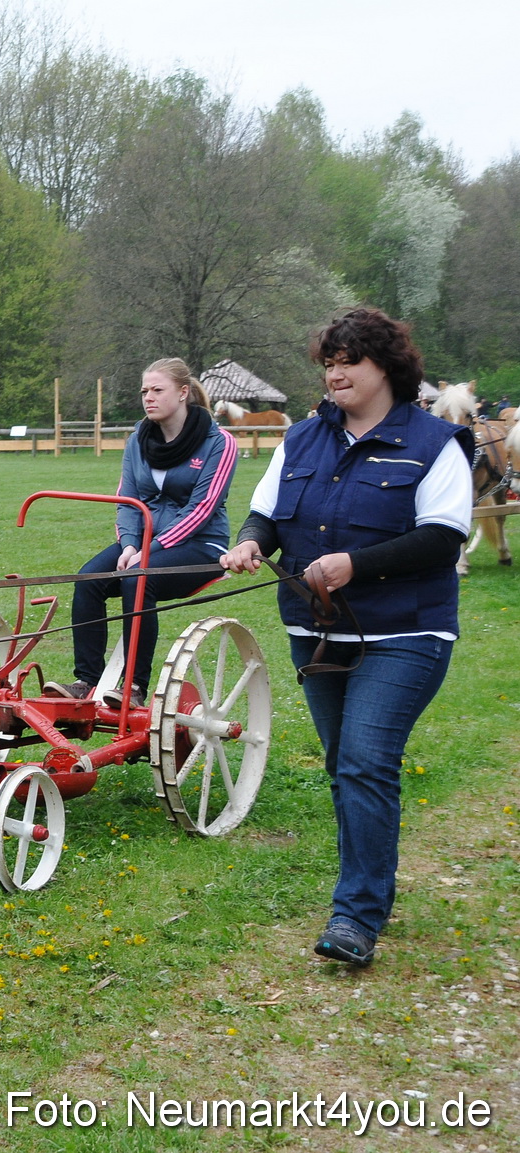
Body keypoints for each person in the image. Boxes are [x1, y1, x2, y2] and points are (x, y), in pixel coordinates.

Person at [219, 308, 472, 968]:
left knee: (363, 758)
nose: (333, 372)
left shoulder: (435, 442)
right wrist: (250, 540)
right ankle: (365, 892)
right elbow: (267, 513)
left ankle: (355, 916)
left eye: (347, 360)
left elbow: (442, 535)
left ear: (384, 366)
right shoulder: (300, 440)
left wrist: (355, 564)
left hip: (407, 630)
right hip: (316, 629)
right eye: (326, 362)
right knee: (344, 765)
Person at [44, 358, 235, 710]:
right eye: (144, 391)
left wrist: (150, 549)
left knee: (137, 578)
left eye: (157, 390)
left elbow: (202, 509)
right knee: (88, 579)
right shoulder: (137, 440)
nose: (148, 397)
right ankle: (87, 681)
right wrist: (131, 543)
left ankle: (133, 685)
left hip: (200, 546)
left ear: (182, 393)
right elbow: (128, 500)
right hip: (142, 544)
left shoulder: (219, 443)